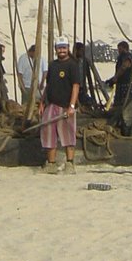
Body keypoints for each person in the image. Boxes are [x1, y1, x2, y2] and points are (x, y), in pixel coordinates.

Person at [39, 36, 81, 173]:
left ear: (68, 49)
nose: (62, 50)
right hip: (52, 104)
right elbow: (48, 84)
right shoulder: (53, 65)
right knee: (48, 132)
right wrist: (42, 103)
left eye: (64, 48)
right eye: (59, 48)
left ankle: (69, 163)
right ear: (56, 49)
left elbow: (75, 86)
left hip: (66, 106)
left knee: (68, 134)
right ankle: (51, 163)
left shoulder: (73, 65)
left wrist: (72, 106)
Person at [106, 40, 132, 121]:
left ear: (124, 48)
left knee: (125, 104)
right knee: (118, 104)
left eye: (120, 49)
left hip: (125, 85)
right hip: (120, 85)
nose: (118, 51)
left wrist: (115, 78)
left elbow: (123, 67)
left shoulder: (127, 57)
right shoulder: (121, 57)